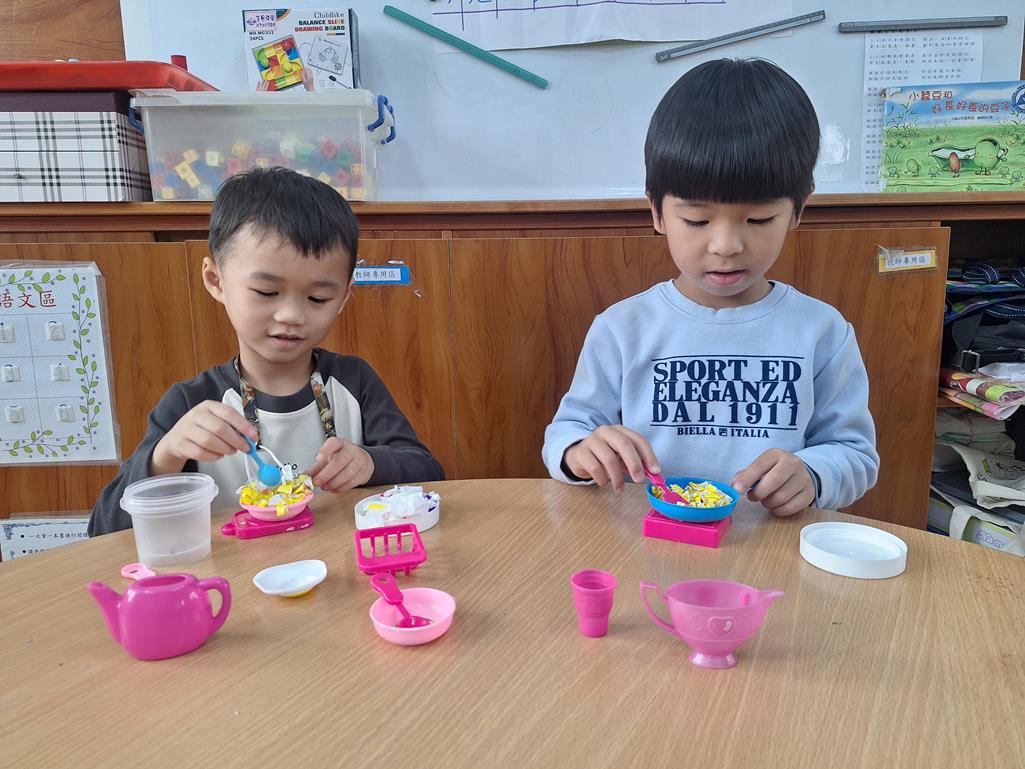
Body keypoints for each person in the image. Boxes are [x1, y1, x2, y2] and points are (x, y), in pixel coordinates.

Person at [542, 58, 879, 516]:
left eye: (759, 219)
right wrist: (580, 451)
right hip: (649, 539)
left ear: (798, 210)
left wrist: (814, 473)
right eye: (697, 220)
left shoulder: (821, 331)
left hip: (771, 546)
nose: (726, 246)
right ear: (657, 212)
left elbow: (855, 454)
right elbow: (568, 431)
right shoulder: (623, 327)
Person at [89, 167, 444, 535]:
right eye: (266, 292)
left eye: (318, 297)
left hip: (343, 565)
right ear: (216, 280)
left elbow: (429, 474)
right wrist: (167, 455)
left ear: (343, 297)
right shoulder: (191, 404)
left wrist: (371, 463)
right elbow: (104, 530)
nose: (291, 315)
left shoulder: (354, 381)